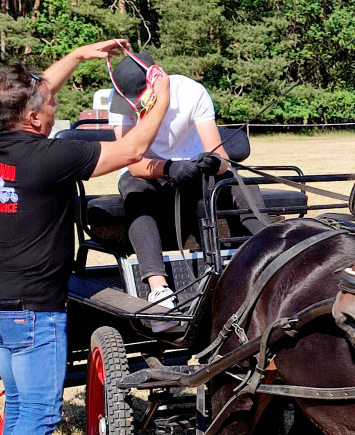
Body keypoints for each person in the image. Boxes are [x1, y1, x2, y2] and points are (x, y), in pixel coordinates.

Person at [0, 40, 171, 435]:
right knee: (41, 414)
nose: (55, 103)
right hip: (35, 310)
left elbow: (38, 88)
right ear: (36, 118)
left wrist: (85, 55)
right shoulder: (52, 158)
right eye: (50, 104)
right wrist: (160, 101)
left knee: (20, 407)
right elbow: (132, 152)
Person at [108, 52, 267, 330]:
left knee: (242, 185)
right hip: (149, 175)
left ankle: (272, 257)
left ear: (155, 81)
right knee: (133, 191)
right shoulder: (121, 103)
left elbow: (220, 157)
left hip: (193, 173)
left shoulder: (192, 93)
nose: (133, 106)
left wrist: (212, 162)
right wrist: (169, 167)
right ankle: (159, 292)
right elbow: (131, 163)